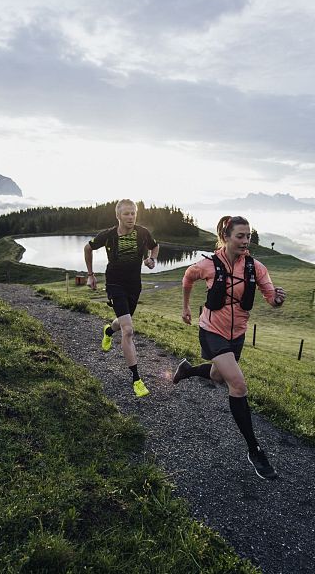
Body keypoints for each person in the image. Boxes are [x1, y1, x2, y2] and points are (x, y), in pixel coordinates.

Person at [173, 215, 286, 479]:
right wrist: (186, 306)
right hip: (212, 331)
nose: (246, 241)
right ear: (226, 237)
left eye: (248, 236)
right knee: (238, 384)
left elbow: (271, 298)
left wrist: (278, 299)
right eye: (240, 236)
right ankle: (254, 449)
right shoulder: (209, 265)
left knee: (217, 375)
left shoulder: (255, 267)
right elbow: (187, 278)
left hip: (238, 335)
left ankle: (188, 371)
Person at [84, 199, 160, 397]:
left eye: (133, 213)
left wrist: (152, 259)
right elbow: (88, 248)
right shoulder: (108, 235)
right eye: (126, 214)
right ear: (118, 216)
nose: (131, 217)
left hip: (134, 285)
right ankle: (137, 380)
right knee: (128, 330)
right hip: (115, 284)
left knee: (123, 323)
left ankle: (109, 330)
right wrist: (91, 275)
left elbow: (155, 246)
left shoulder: (142, 233)